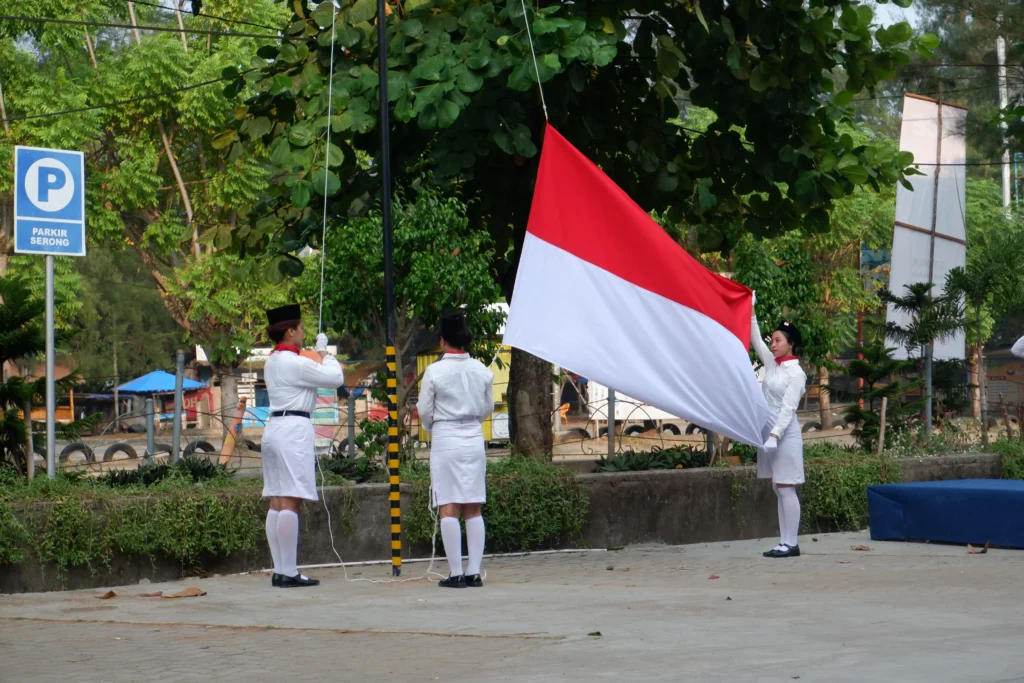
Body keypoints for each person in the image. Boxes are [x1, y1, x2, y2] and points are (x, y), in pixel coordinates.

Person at [262, 304, 344, 588]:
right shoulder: (294, 362)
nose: (304, 332)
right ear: (290, 331)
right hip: (293, 430)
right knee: (290, 500)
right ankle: (289, 571)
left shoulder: (273, 360)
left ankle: (280, 569)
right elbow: (336, 378)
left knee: (276, 500)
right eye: (300, 328)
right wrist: (324, 353)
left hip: (274, 428)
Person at [417, 312, 495, 588]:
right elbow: (488, 408)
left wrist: (432, 426)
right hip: (473, 436)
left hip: (446, 435)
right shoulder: (483, 371)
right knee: (473, 504)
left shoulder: (434, 371)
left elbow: (424, 410)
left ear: (442, 341)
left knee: (448, 504)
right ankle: (474, 571)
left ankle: (455, 572)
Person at [750, 294, 807, 559]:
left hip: (784, 435)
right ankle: (783, 541)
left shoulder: (796, 374)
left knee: (786, 486)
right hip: (769, 435)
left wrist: (774, 434)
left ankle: (792, 543)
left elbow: (788, 408)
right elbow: (754, 339)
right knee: (777, 487)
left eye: (778, 340)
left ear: (790, 344)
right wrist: (750, 312)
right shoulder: (773, 365)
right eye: (772, 340)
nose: (772, 345)